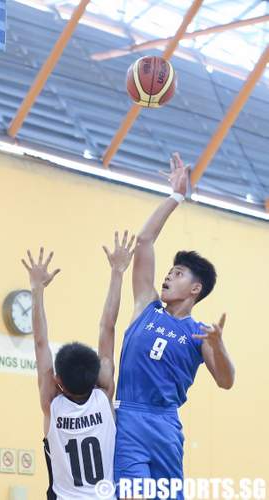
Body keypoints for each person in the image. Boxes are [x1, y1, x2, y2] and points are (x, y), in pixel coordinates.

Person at [114, 153, 235, 496]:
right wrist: (175, 197)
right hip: (130, 418)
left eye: (178, 274)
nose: (168, 276)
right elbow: (145, 242)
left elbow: (226, 382)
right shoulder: (145, 307)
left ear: (195, 289)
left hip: (166, 424)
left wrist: (219, 344)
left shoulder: (199, 335)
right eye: (169, 272)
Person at [23, 233, 134, 499]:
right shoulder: (104, 394)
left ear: (58, 381)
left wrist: (36, 289)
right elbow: (108, 327)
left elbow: (40, 343)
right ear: (97, 375)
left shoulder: (51, 402)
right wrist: (118, 272)